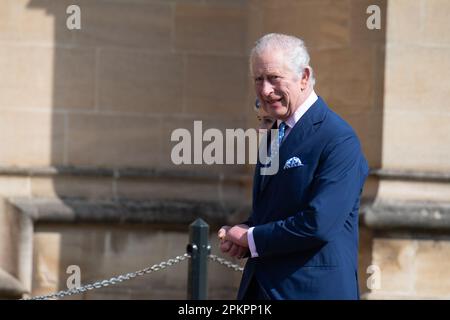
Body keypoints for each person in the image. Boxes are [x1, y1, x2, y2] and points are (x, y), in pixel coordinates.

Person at [218, 33, 369, 300]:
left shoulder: (338, 138)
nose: (265, 90)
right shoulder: (276, 133)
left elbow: (318, 222)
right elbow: (277, 212)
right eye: (258, 79)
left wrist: (252, 237)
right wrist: (242, 235)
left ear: (304, 77)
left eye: (274, 78)